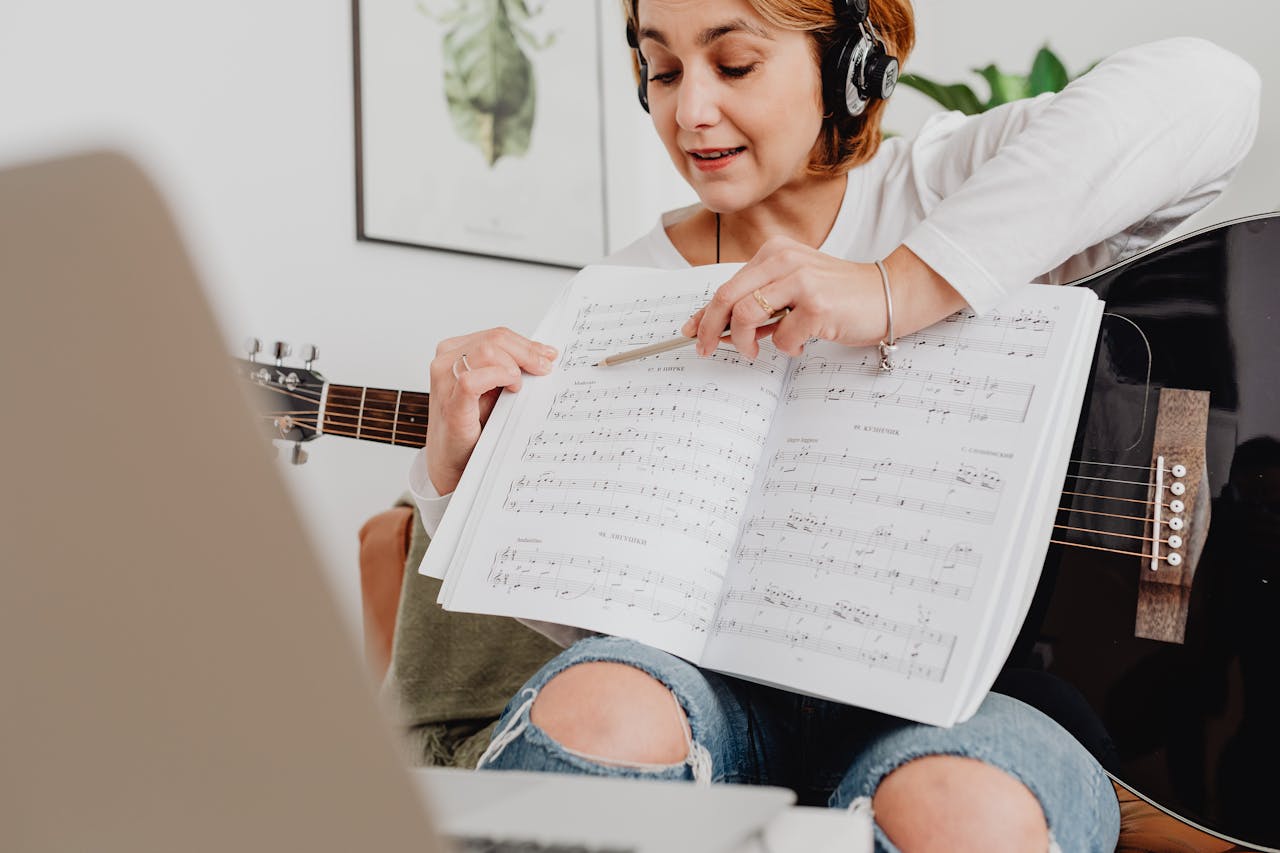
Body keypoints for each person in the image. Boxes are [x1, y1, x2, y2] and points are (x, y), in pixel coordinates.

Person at [407, 1, 1260, 849]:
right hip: (718, 696)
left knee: (961, 810)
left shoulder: (944, 186)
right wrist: (464, 484)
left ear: (852, 63)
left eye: (733, 64)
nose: (689, 110)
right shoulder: (611, 296)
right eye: (660, 70)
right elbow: (598, 620)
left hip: (985, 700)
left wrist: (896, 286)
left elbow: (1211, 89)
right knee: (599, 709)